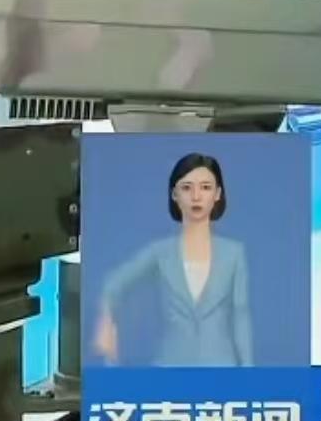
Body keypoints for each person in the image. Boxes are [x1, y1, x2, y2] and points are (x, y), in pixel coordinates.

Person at [94, 152, 254, 367]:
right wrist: (106, 323)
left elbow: (240, 317)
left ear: (217, 194)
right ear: (174, 194)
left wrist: (249, 373)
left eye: (205, 187)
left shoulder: (234, 254)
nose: (196, 196)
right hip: (170, 367)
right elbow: (113, 284)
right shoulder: (160, 253)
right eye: (187, 187)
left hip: (221, 369)